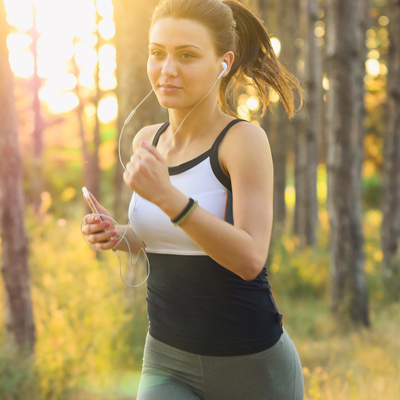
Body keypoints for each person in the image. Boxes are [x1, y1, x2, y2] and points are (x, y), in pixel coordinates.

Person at [82, 0, 305, 398]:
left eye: (187, 55)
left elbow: (250, 258)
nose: (167, 70)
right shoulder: (146, 140)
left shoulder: (242, 141)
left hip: (250, 364)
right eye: (157, 53)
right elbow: (165, 237)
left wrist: (168, 197)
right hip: (167, 358)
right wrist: (118, 234)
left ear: (224, 62)